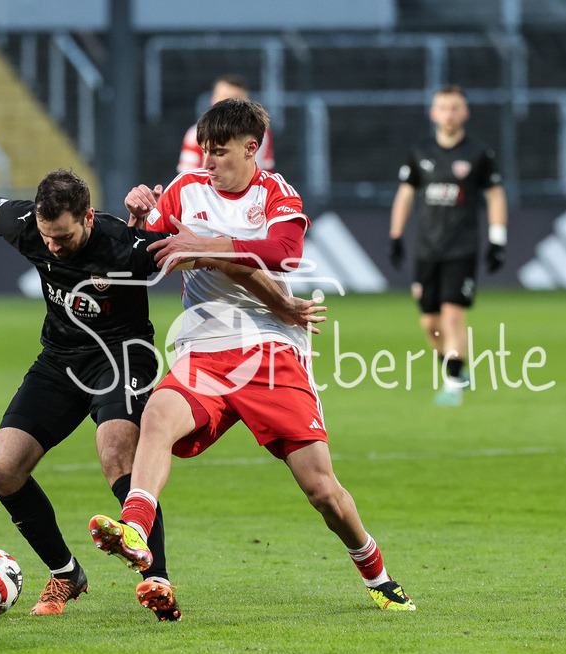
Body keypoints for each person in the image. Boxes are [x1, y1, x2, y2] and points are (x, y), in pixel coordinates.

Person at [0, 169, 321, 621]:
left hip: (121, 359)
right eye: (47, 236)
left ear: (88, 217)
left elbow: (219, 261)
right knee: (3, 469)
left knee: (116, 454)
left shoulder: (129, 246)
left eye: (63, 237)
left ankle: (158, 580)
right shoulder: (26, 224)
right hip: (59, 361)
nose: (52, 246)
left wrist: (281, 305)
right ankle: (66, 573)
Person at [89, 98, 415, 614]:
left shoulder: (275, 193)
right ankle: (135, 526)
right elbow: (147, 256)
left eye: (219, 153)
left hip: (271, 347)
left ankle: (374, 570)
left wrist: (205, 244)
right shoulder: (183, 190)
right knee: (156, 416)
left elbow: (283, 252)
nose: (209, 162)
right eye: (205, 152)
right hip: (203, 346)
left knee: (322, 491)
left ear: (251, 149)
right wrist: (137, 222)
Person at [388, 85, 509, 407]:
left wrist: (497, 240)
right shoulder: (421, 152)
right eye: (444, 108)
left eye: (456, 108)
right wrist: (396, 236)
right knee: (430, 322)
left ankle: (453, 382)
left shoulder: (479, 153)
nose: (450, 114)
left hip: (462, 248)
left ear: (465, 113)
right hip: (427, 249)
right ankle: (454, 366)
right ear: (434, 113)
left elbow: (495, 195)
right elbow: (405, 194)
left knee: (453, 316)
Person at [177, 74, 274, 174]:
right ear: (213, 99)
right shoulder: (194, 135)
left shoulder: (262, 133)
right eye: (223, 98)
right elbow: (188, 177)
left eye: (235, 99)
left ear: (247, 101)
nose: (228, 105)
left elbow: (266, 171)